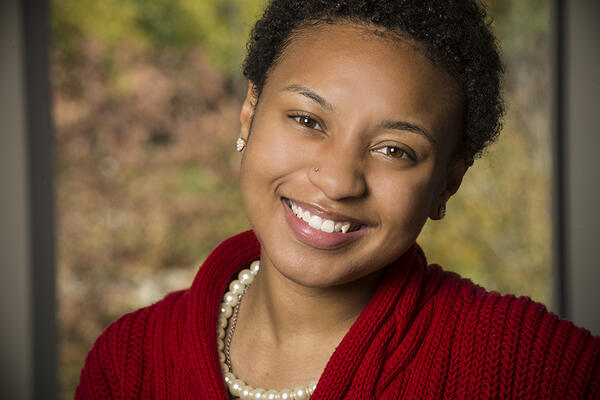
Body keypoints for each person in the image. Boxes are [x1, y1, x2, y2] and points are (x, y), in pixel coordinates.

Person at [76, 0, 600, 399]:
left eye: (395, 150)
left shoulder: (533, 366)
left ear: (447, 183)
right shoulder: (128, 364)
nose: (338, 180)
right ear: (249, 113)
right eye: (308, 120)